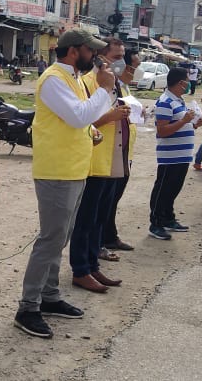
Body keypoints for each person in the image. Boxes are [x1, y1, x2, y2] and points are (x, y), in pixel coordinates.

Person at [14, 29, 115, 339]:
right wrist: (104, 89)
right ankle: (28, 307)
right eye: (91, 51)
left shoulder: (73, 78)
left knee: (60, 237)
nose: (95, 56)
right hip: (56, 171)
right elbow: (78, 116)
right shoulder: (54, 79)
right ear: (74, 51)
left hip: (74, 169)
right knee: (50, 239)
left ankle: (49, 295)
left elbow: (80, 121)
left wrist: (91, 130)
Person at [68, 37, 132, 293]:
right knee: (86, 219)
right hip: (93, 161)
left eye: (122, 56)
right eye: (116, 57)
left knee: (99, 218)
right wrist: (110, 116)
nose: (121, 62)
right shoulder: (87, 82)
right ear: (101, 57)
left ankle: (93, 265)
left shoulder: (115, 83)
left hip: (113, 158)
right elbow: (82, 121)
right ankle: (80, 269)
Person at [149, 67, 202, 240]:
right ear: (180, 83)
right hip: (170, 156)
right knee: (163, 190)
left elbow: (180, 124)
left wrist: (193, 124)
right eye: (187, 81)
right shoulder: (165, 101)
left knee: (173, 189)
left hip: (182, 155)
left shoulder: (178, 100)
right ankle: (156, 223)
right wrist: (184, 120)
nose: (189, 84)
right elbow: (162, 131)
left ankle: (168, 218)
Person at [100, 48, 142, 255]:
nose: (135, 71)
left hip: (124, 151)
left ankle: (109, 236)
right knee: (103, 202)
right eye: (133, 66)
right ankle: (99, 243)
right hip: (107, 153)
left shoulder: (122, 87)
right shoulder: (104, 86)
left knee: (113, 198)